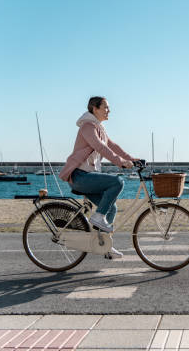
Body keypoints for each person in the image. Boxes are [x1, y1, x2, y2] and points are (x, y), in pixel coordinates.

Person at [59, 96, 137, 257]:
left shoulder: (99, 127)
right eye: (106, 107)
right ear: (95, 108)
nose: (109, 110)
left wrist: (132, 159)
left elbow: (112, 145)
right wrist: (119, 162)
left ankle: (105, 246)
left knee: (111, 208)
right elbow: (100, 147)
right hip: (80, 177)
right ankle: (98, 217)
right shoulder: (88, 126)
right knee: (117, 182)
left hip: (88, 177)